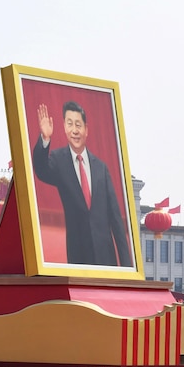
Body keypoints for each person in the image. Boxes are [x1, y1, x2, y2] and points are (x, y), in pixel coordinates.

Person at [33, 101, 132, 267]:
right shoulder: (59, 161)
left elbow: (115, 218)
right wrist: (45, 138)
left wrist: (128, 266)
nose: (75, 130)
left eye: (78, 124)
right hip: (78, 254)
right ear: (64, 127)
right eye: (70, 124)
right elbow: (41, 170)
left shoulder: (101, 167)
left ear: (86, 129)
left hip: (105, 256)